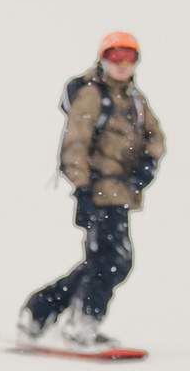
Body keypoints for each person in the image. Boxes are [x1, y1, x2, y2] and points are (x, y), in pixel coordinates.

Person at [17, 30, 168, 349]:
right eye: (115, 57)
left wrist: (147, 165)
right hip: (99, 193)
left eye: (129, 58)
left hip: (121, 193)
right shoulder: (92, 94)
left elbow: (156, 136)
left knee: (109, 260)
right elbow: (75, 144)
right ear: (102, 59)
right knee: (110, 260)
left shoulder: (134, 98)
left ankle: (39, 312)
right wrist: (83, 190)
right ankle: (80, 322)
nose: (122, 64)